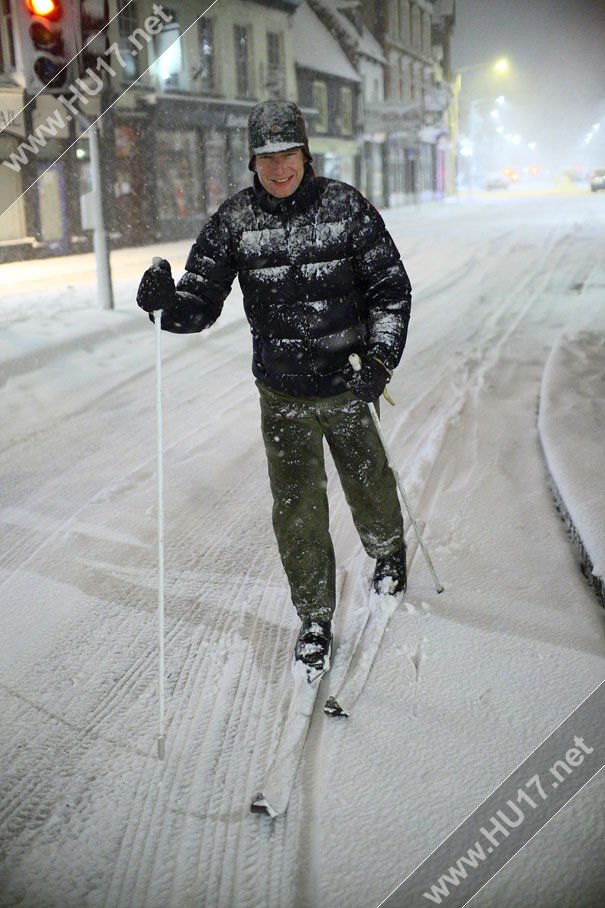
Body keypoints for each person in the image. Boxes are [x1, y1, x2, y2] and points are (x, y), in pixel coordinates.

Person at [137, 100, 412, 678]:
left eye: (288, 153)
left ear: (305, 154)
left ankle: (388, 551)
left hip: (347, 383)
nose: (279, 167)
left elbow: (390, 288)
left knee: (368, 482)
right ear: (252, 161)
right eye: (267, 157)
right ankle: (314, 617)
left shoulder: (345, 206)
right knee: (297, 509)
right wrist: (165, 305)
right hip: (282, 394)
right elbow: (199, 303)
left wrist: (381, 361)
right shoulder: (235, 221)